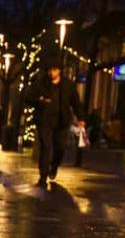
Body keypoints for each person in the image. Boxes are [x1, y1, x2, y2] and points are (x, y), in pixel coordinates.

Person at [26, 59, 85, 189]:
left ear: (59, 70)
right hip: (44, 121)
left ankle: (54, 166)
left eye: (54, 70)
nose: (51, 73)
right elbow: (28, 97)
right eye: (50, 70)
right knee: (46, 147)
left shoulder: (68, 85)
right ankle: (43, 176)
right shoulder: (40, 83)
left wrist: (80, 118)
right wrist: (39, 99)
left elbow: (76, 102)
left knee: (60, 147)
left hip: (62, 122)